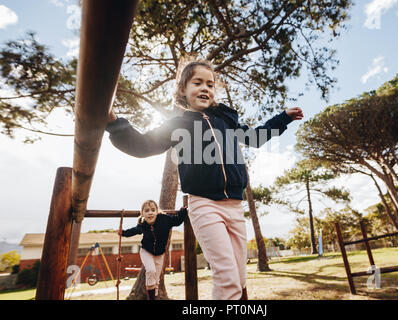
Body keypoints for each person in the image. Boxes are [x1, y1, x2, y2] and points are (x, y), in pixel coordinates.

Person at [107, 60, 303, 300]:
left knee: (240, 278)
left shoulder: (225, 121)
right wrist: (114, 124)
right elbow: (143, 146)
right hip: (204, 204)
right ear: (183, 89)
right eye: (197, 82)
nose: (205, 88)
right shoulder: (176, 124)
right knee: (227, 279)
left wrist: (282, 118)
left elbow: (255, 138)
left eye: (210, 84)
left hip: (234, 205)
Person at [118, 200, 187, 300]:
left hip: (160, 253)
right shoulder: (143, 225)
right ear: (142, 214)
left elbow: (177, 221)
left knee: (156, 278)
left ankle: (154, 296)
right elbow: (133, 231)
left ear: (157, 211)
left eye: (153, 210)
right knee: (151, 270)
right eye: (147, 211)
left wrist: (182, 211)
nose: (150, 213)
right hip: (146, 251)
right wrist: (123, 233)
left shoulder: (165, 219)